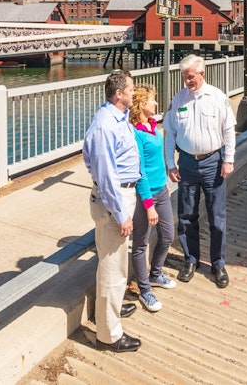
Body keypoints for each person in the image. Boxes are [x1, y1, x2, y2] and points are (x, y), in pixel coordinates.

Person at [163, 55, 236, 289]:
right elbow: (170, 134)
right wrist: (170, 164)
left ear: (202, 73)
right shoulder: (179, 99)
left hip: (213, 162)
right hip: (187, 163)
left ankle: (218, 263)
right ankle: (191, 259)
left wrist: (229, 160)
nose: (187, 81)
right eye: (185, 77)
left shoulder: (217, 97)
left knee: (216, 217)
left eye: (191, 77)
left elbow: (228, 130)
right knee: (186, 215)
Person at [82, 70, 142, 352]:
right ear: (119, 94)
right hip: (114, 200)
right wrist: (121, 214)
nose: (134, 92)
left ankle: (111, 310)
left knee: (115, 263)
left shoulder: (117, 118)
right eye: (131, 89)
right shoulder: (105, 124)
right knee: (112, 268)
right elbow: (105, 176)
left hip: (121, 195)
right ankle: (109, 335)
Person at [129, 83, 176, 314]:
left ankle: (155, 273)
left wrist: (165, 183)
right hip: (145, 196)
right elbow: (140, 171)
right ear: (141, 105)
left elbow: (157, 161)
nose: (156, 103)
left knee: (167, 235)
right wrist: (148, 205)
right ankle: (144, 289)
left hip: (161, 190)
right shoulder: (136, 132)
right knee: (141, 243)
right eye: (151, 100)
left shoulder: (152, 125)